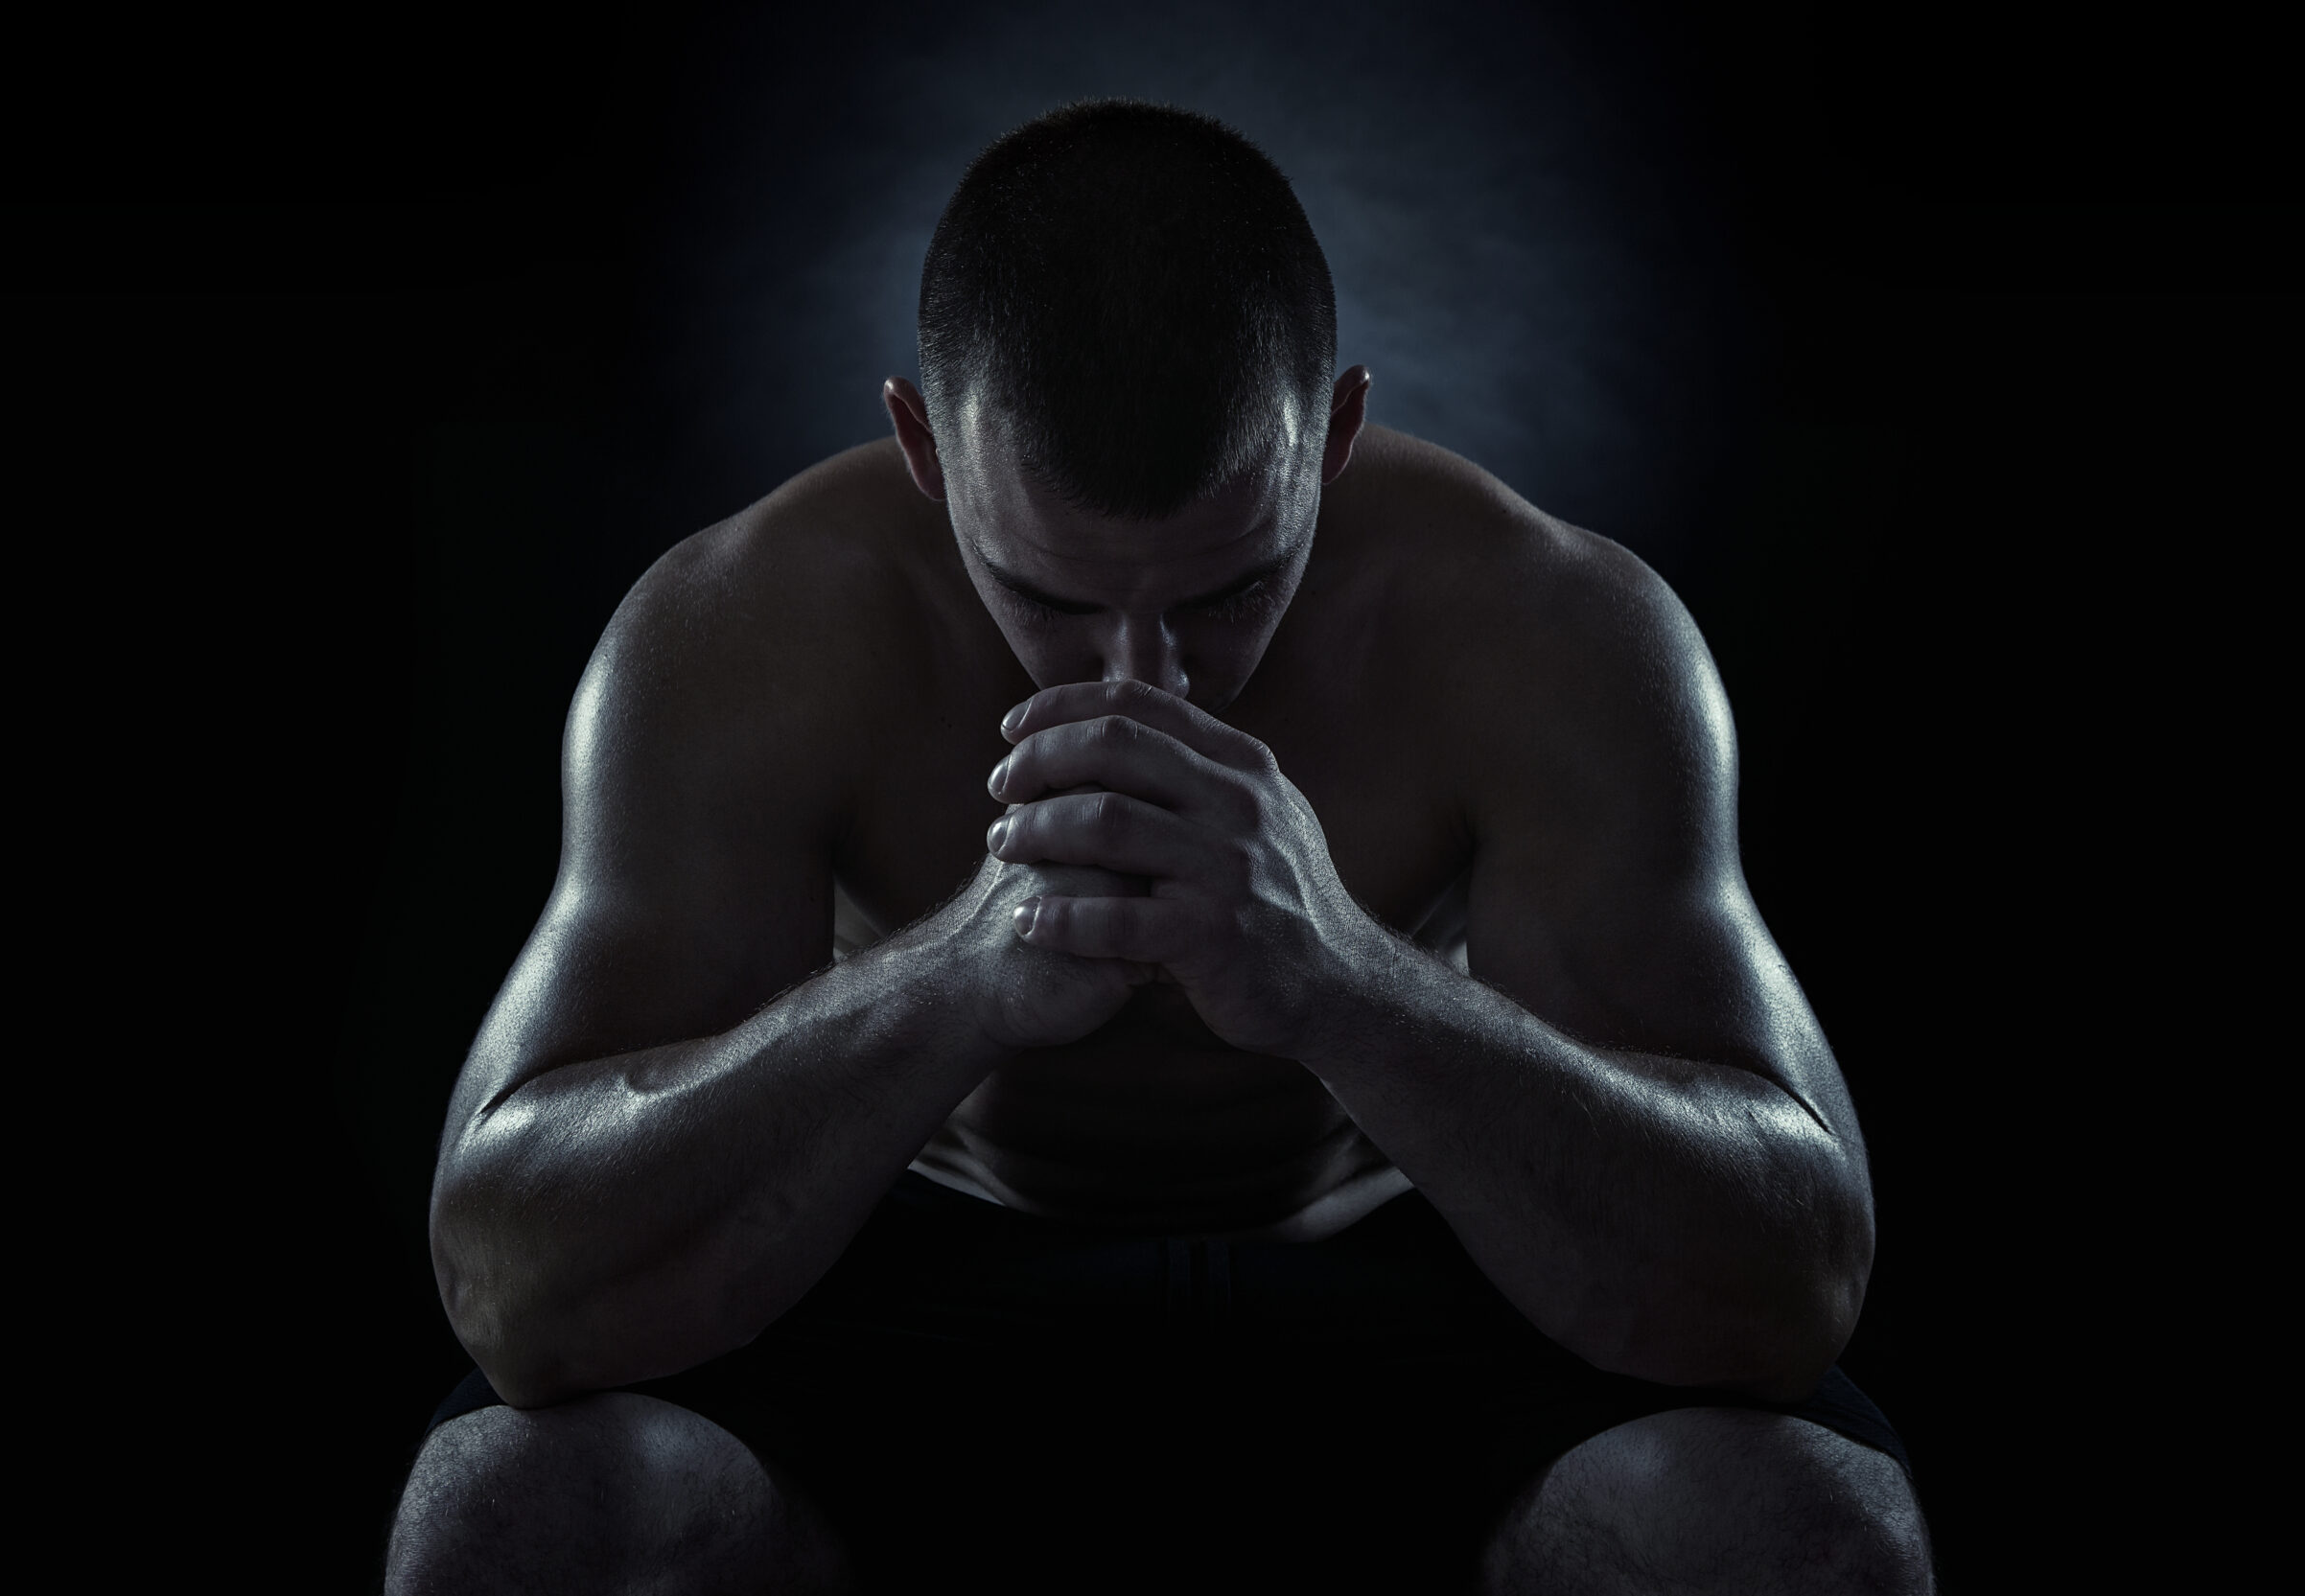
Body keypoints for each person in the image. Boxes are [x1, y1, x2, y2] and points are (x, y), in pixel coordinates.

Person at [384, 101, 1933, 1594]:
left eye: (1226, 590)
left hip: (1398, 1275)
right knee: (517, 1517)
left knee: (1795, 1526)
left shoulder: (1547, 627)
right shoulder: (745, 631)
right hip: (914, 1281)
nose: (1144, 679)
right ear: (929, 454)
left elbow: (1790, 1282)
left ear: (1329, 439)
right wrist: (952, 981)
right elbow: (513, 1283)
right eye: (1051, 598)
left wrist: (1338, 980)